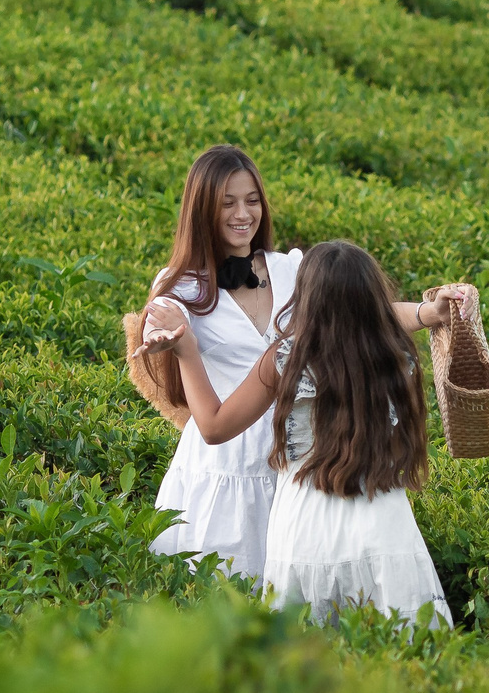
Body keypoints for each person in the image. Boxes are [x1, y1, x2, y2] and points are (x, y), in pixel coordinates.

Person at [135, 145, 472, 581]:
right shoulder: (178, 285)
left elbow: (359, 313)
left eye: (252, 200)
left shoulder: (290, 268)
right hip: (226, 469)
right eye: (227, 203)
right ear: (201, 209)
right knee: (222, 599)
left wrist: (429, 313)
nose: (243, 214)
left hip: (299, 457)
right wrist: (169, 341)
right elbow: (158, 329)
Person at [145, 239, 467, 626]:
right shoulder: (396, 359)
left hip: (304, 524)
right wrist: (428, 312)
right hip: (383, 517)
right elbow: (380, 321)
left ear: (305, 300)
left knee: (305, 649)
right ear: (373, 299)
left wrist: (188, 351)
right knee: (398, 641)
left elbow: (213, 427)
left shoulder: (283, 361)